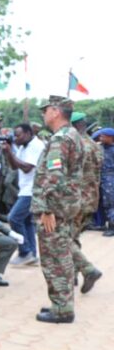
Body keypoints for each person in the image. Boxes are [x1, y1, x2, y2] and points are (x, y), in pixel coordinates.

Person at [32, 96, 84, 323]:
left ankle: (62, 310)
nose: (43, 115)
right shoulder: (73, 135)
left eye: (45, 111)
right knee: (62, 254)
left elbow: (54, 175)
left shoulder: (60, 139)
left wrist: (46, 208)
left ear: (55, 111)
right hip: (66, 206)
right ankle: (61, 305)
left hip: (55, 208)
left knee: (55, 258)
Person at [1, 123, 45, 265]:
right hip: (25, 189)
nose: (16, 138)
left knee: (13, 218)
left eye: (18, 135)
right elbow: (14, 166)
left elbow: (27, 168)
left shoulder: (36, 146)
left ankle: (25, 251)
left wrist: (11, 152)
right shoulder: (23, 146)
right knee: (27, 222)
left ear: (28, 133)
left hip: (32, 190)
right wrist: (8, 152)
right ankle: (31, 253)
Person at [68, 112, 103, 287]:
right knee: (73, 237)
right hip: (90, 199)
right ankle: (72, 275)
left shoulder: (76, 145)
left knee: (63, 239)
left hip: (76, 200)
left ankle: (88, 270)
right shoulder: (94, 145)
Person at [93, 127, 114, 236]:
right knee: (103, 203)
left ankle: (112, 226)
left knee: (111, 203)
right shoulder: (100, 147)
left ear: (111, 138)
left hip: (110, 178)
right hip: (101, 178)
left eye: (103, 136)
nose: (100, 138)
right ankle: (101, 223)